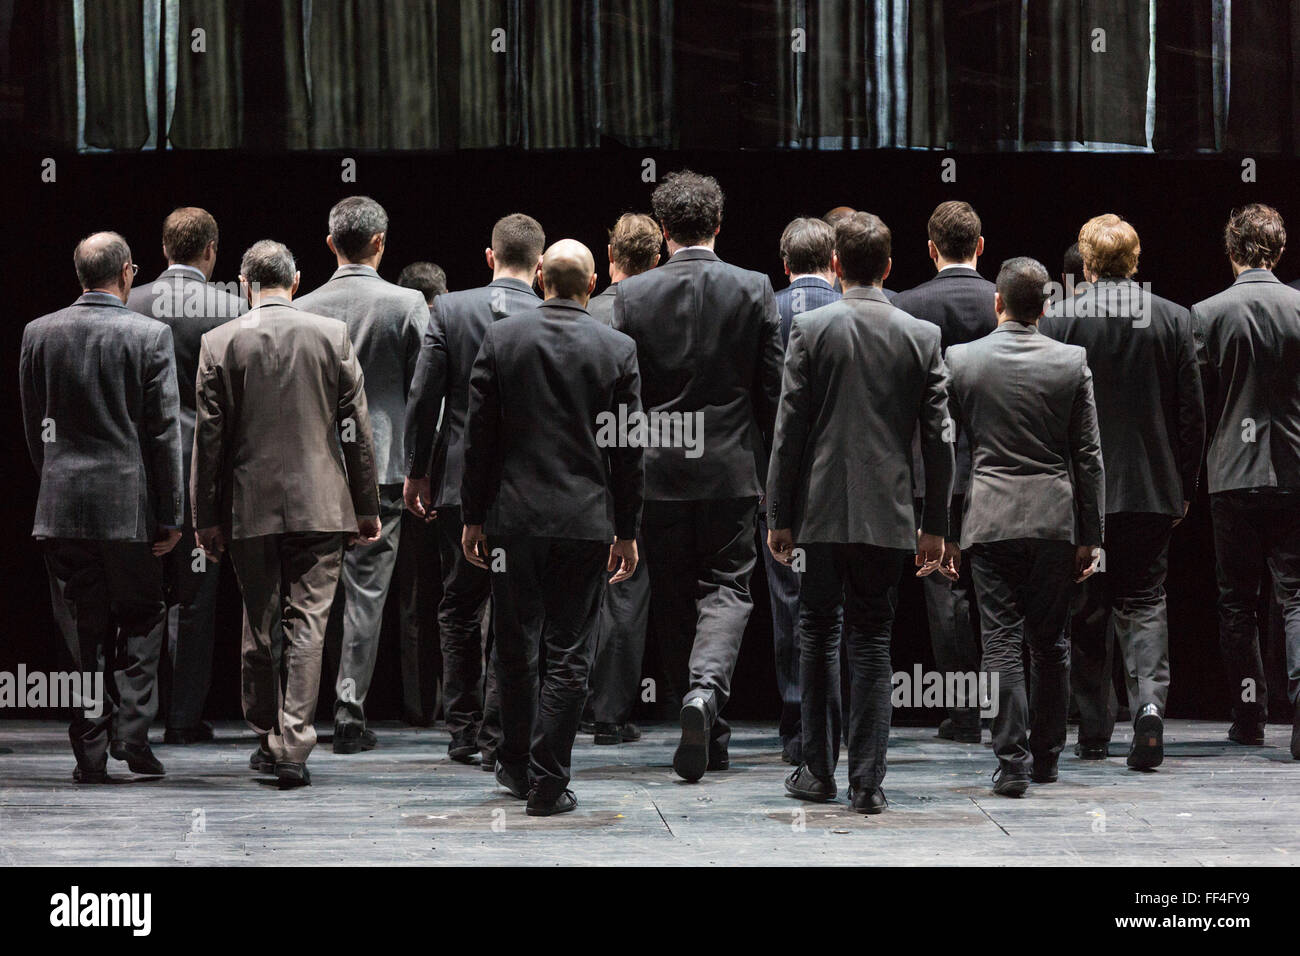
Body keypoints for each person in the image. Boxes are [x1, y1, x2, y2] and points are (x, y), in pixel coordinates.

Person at [767, 212, 953, 813]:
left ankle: (817, 773)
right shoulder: (921, 335)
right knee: (872, 641)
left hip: (819, 513)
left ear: (837, 266)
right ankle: (868, 784)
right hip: (889, 515)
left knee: (817, 634)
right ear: (891, 267)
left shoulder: (812, 329)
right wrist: (937, 528)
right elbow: (940, 440)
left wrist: (777, 514)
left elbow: (787, 431)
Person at [461, 240, 643, 815]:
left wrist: (471, 517)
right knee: (569, 652)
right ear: (591, 285)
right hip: (585, 522)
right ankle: (547, 780)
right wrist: (627, 529)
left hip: (513, 523)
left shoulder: (502, 338)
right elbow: (628, 453)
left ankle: (514, 765)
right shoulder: (617, 348)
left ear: (541, 278)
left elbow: (479, 440)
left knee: (514, 646)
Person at [613, 171, 783, 781]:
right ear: (718, 225)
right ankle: (706, 695)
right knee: (729, 590)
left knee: (675, 596)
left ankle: (710, 728)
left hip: (657, 473)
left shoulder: (631, 297)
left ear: (662, 231)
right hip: (732, 469)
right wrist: (775, 476)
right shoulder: (754, 288)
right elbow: (774, 396)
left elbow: (624, 402)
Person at [192, 240, 381, 788]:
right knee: (309, 625)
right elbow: (358, 434)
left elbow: (210, 441)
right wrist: (366, 507)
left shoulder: (218, 342)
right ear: (296, 280)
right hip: (322, 505)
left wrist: (205, 517)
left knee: (261, 623)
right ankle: (294, 740)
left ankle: (267, 734)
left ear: (245, 282)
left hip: (248, 507)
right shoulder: (332, 336)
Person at [1042, 215, 1204, 769]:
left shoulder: (1059, 319)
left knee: (1087, 606)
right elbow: (1191, 416)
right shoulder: (1174, 318)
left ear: (1086, 264)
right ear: (1135, 261)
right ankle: (1150, 708)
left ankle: (1092, 731)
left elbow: (1048, 414)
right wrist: (1184, 486)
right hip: (1152, 489)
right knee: (1145, 600)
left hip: (1080, 492)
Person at [21, 232, 183, 783]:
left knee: (81, 631)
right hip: (130, 509)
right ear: (128, 273)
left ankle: (90, 754)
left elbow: (32, 425)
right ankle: (133, 738)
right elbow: (164, 435)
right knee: (143, 615)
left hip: (62, 506)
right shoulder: (150, 334)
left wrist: (54, 485)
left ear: (79, 274)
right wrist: (172, 514)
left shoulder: (37, 333)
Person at [945, 257, 1105, 796]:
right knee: (1051, 644)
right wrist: (1092, 535)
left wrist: (944, 529)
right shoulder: (1071, 361)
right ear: (1046, 307)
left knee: (1000, 645)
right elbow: (1089, 457)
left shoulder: (963, 360)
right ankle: (1047, 760)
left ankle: (1011, 762)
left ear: (998, 302)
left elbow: (947, 454)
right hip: (1055, 522)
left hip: (990, 521)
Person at [404, 214, 544, 767]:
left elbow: (422, 398)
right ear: (537, 263)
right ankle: (497, 735)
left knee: (459, 607)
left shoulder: (451, 308)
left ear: (490, 257)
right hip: (528, 489)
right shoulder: (553, 313)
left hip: (459, 482)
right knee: (516, 614)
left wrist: (418, 470)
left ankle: (461, 731)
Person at [296, 197, 428, 754]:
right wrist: (425, 466)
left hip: (316, 468)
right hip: (386, 468)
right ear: (380, 243)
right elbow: (426, 393)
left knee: (314, 594)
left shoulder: (300, 307)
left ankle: (307, 711)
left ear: (330, 244)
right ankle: (350, 713)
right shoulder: (407, 302)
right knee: (367, 595)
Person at [125, 207, 246, 745]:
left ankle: (132, 718)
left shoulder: (128, 303)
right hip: (206, 472)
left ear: (165, 248)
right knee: (196, 601)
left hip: (138, 474)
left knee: (139, 600)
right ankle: (182, 717)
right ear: (211, 252)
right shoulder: (233, 308)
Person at [1191, 204, 1300, 759]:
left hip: (1230, 473)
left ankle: (1249, 717)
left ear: (1231, 251)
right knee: (1298, 595)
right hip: (1295, 472)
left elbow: (1196, 406)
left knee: (1237, 601)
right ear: (1278, 251)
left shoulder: (1206, 314)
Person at [892, 201, 997, 744]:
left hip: (929, 470)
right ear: (980, 245)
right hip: (999, 468)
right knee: (1001, 594)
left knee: (945, 592)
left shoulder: (905, 306)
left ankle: (963, 713)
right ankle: (1010, 707)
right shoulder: (1007, 299)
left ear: (931, 249)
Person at [583, 213, 660, 744]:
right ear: (655, 260)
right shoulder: (666, 312)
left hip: (580, 470)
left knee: (576, 591)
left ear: (609, 257)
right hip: (642, 465)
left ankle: (568, 703)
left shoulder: (584, 311)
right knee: (626, 587)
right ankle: (610, 712)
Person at [766, 216, 841, 765]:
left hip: (783, 479)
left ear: (785, 262)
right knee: (851, 615)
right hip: (848, 482)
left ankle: (799, 729)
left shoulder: (766, 308)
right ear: (834, 261)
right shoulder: (856, 312)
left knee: (792, 608)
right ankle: (839, 727)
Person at [395, 262, 448, 726]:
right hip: (454, 480)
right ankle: (464, 704)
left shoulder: (405, 324)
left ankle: (418, 708)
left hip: (404, 476)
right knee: (468, 596)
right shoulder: (469, 321)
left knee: (414, 597)